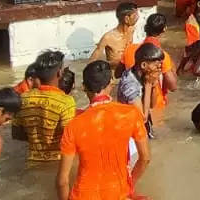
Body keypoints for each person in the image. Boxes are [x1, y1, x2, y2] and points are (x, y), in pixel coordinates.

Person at [57, 61, 150, 200]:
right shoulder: (130, 114)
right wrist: (129, 188)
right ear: (111, 83)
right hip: (118, 194)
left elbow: (62, 181)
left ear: (84, 87)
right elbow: (145, 159)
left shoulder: (73, 124)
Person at [10, 50, 73, 161]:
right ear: (59, 73)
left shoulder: (23, 98)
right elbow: (70, 139)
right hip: (58, 162)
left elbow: (16, 134)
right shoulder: (66, 102)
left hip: (32, 160)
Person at [119, 13, 178, 114]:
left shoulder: (129, 49)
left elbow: (117, 74)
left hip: (130, 105)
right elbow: (173, 87)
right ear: (164, 29)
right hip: (155, 106)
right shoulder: (162, 56)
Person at [117, 43, 166, 136]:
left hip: (143, 126)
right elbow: (142, 118)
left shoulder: (145, 74)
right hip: (132, 131)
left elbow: (152, 105)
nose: (159, 68)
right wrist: (148, 85)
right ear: (143, 65)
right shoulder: (130, 85)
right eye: (156, 65)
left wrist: (154, 84)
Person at [88, 2, 139, 70]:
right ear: (126, 19)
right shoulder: (108, 37)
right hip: (114, 75)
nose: (138, 17)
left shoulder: (131, 29)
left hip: (128, 72)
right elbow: (94, 57)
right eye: (135, 16)